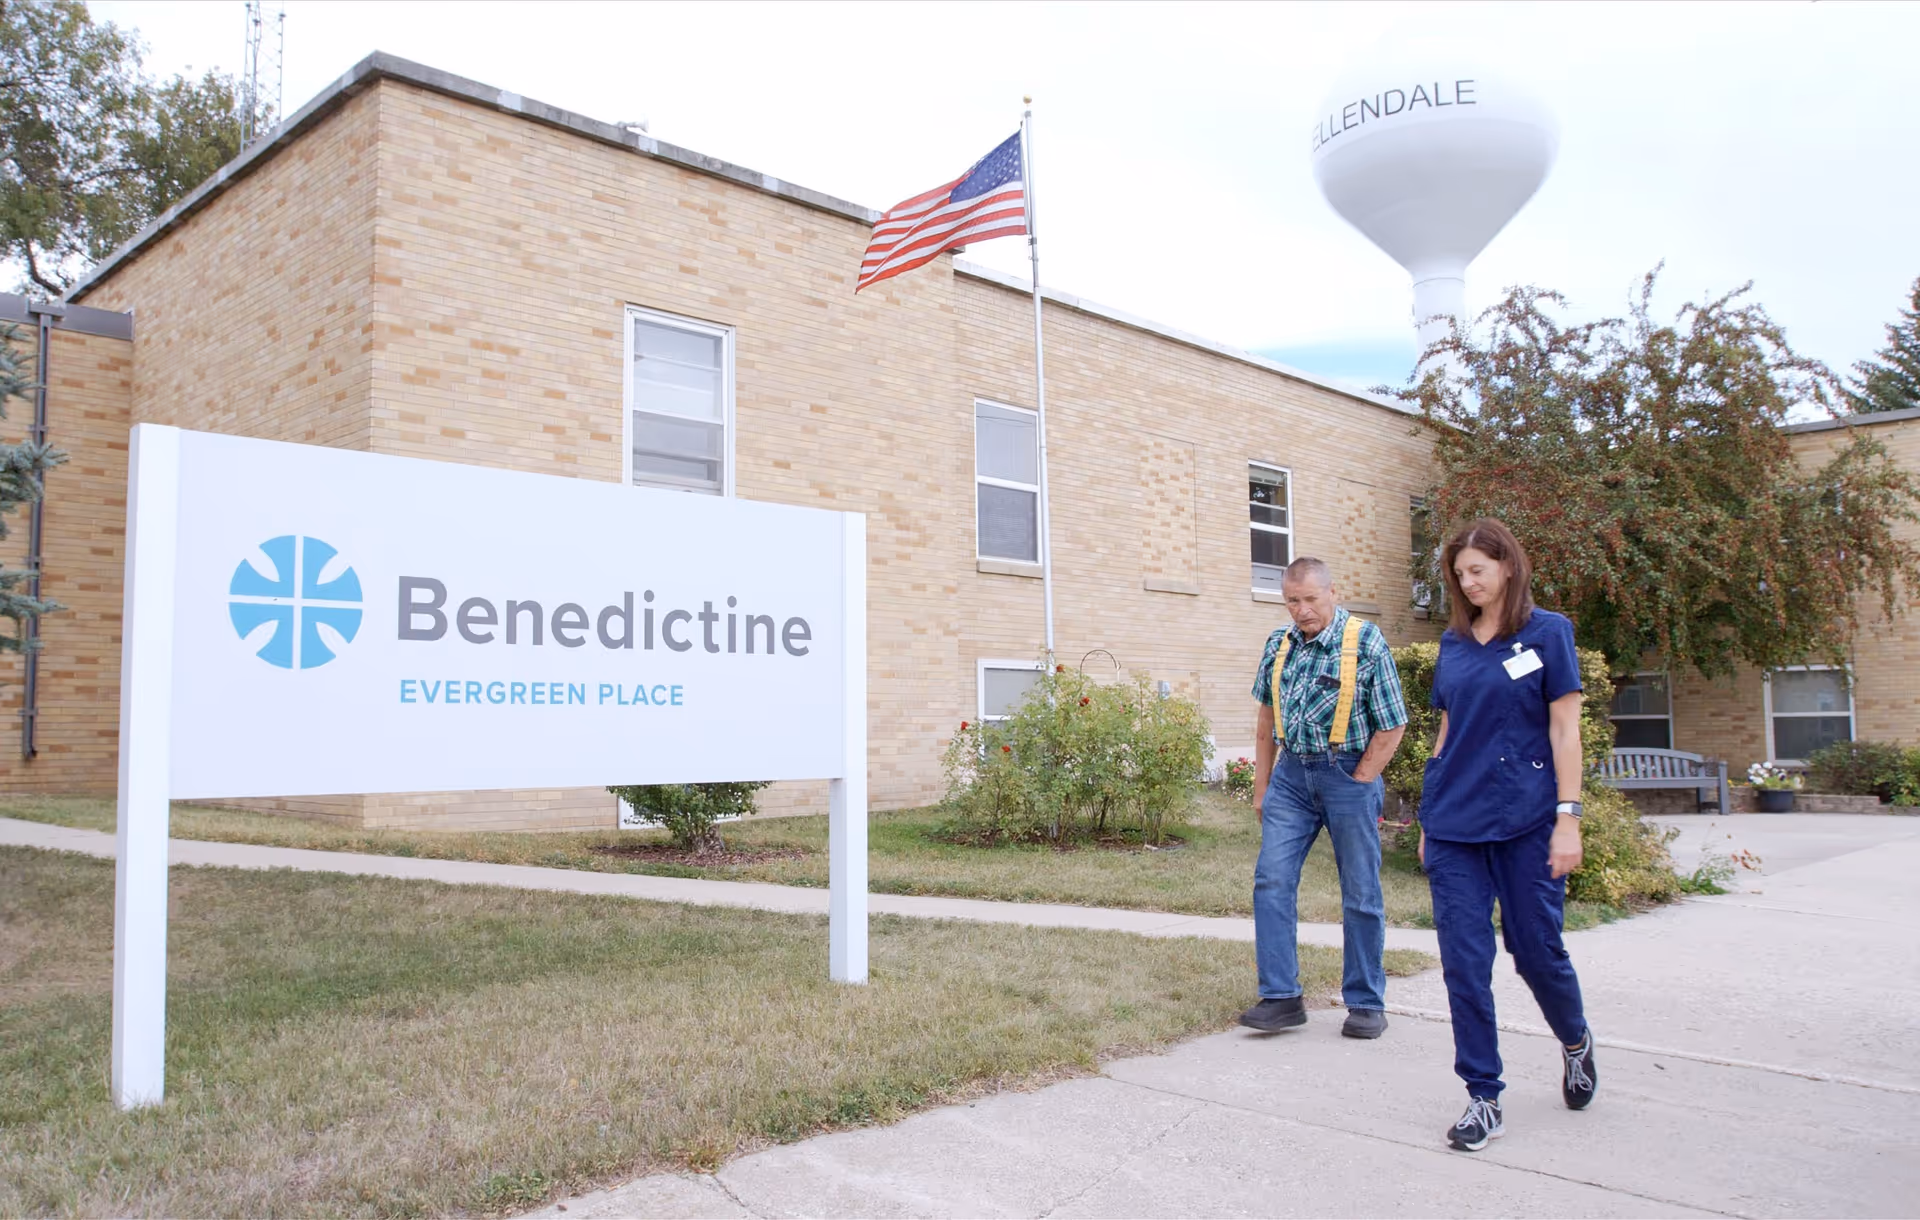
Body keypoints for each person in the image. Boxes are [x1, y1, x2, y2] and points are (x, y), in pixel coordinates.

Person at [1418, 518, 1597, 1153]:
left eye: (1478, 572)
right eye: (1460, 575)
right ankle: (1483, 1097)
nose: (1468, 584)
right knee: (1465, 964)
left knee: (1535, 952)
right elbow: (1446, 733)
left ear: (1509, 567)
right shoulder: (1454, 642)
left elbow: (1565, 732)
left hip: (1527, 823)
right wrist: (1428, 816)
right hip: (1455, 827)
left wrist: (1567, 818)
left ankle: (1574, 1041)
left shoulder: (1549, 633)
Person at [1241, 557, 1407, 1040]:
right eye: (1293, 601)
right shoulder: (1278, 644)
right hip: (1291, 777)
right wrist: (1263, 786)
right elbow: (1267, 723)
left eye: (1311, 599)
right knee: (1271, 880)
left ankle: (1365, 1002)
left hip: (1347, 772)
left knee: (1359, 891)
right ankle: (1281, 997)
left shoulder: (1364, 642)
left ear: (1332, 593)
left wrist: (1362, 779)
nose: (1302, 610)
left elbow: (1393, 722)